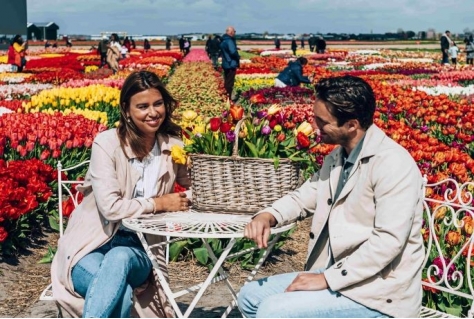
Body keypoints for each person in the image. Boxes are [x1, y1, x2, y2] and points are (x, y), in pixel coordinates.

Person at [238, 75, 424, 318]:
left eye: (322, 121)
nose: (314, 126)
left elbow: (387, 242)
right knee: (250, 297)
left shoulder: (392, 164)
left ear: (351, 125)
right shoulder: (339, 157)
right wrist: (268, 215)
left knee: (274, 311)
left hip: (378, 291)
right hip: (338, 274)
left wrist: (326, 278)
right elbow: (304, 196)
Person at [51, 70, 191, 318]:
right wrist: (158, 203)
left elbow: (198, 187)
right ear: (127, 110)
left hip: (139, 249)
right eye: (143, 106)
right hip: (90, 246)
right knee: (121, 293)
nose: (153, 112)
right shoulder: (107, 144)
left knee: (120, 256)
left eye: (158, 104)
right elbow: (111, 208)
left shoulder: (174, 146)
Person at [220, 26, 240, 100]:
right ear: (231, 32)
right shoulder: (229, 40)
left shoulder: (223, 40)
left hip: (225, 63)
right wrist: (237, 56)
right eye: (234, 31)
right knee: (230, 83)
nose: (234, 33)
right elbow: (233, 52)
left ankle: (226, 96)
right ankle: (228, 98)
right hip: (231, 63)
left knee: (226, 80)